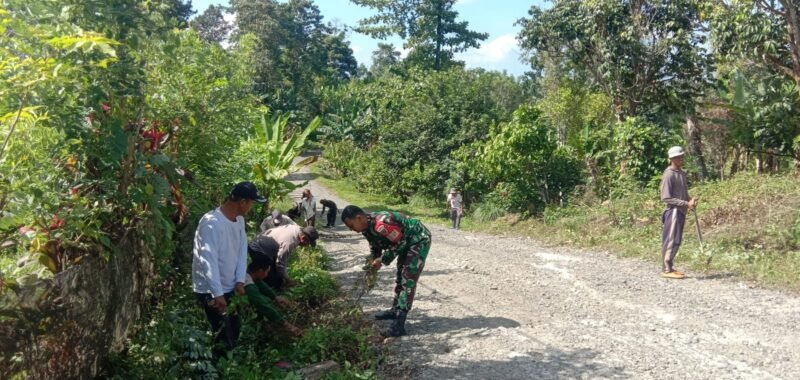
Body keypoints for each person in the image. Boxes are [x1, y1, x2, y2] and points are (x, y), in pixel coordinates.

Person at [192, 181, 265, 350]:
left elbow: (241, 250)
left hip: (229, 286)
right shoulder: (211, 223)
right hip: (210, 290)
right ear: (243, 202)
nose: (251, 208)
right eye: (252, 203)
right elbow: (207, 260)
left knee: (235, 329)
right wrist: (217, 294)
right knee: (223, 336)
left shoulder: (238, 221)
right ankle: (216, 371)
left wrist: (240, 280)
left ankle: (227, 366)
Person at [341, 205, 431, 337]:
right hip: (406, 240)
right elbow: (374, 245)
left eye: (351, 226)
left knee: (408, 277)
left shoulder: (381, 223)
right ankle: (395, 310)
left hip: (418, 238)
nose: (351, 230)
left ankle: (399, 325)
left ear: (359, 218)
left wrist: (383, 259)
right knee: (400, 275)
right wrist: (373, 261)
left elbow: (401, 242)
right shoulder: (366, 228)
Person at [659, 146, 698, 279]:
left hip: (681, 211)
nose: (681, 159)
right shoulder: (668, 174)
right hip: (673, 212)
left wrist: (690, 199)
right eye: (678, 157)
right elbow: (665, 197)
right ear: (672, 159)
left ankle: (670, 266)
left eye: (682, 156)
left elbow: (683, 193)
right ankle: (666, 269)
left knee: (677, 240)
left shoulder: (681, 173)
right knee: (671, 240)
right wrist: (686, 203)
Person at [244, 252, 303, 337]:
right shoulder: (248, 286)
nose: (267, 274)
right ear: (260, 271)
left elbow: (261, 284)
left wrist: (275, 297)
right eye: (267, 271)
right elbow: (264, 305)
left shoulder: (248, 273)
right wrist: (287, 325)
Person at [262, 224, 319, 290]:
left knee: (277, 277)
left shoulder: (298, 230)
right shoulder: (290, 242)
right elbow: (280, 263)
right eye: (308, 243)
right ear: (303, 238)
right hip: (261, 248)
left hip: (268, 245)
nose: (306, 246)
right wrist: (287, 279)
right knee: (270, 277)